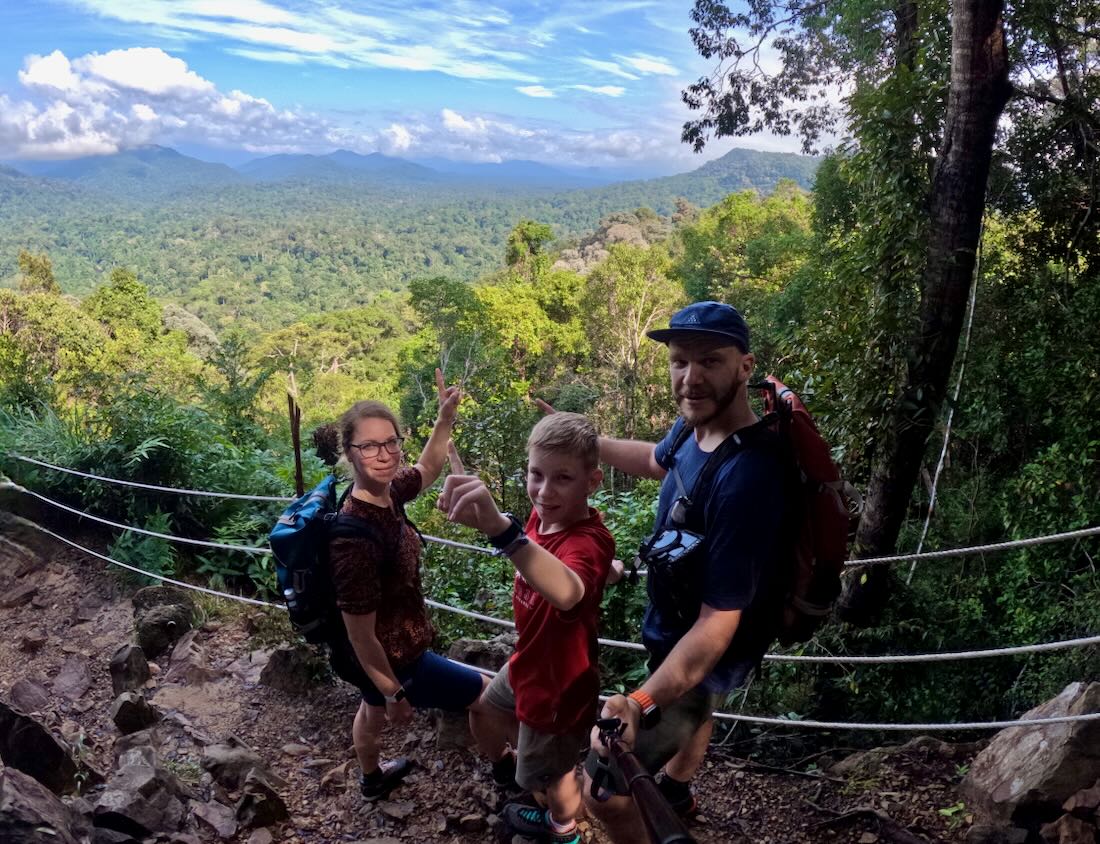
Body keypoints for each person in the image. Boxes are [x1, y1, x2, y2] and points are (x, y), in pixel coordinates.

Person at [573, 300, 787, 842]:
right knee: (696, 708)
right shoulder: (696, 425)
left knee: (605, 790)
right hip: (674, 622)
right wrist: (588, 445)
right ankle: (677, 786)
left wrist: (640, 702)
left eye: (709, 362)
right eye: (678, 362)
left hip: (703, 646)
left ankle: (656, 803)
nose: (689, 378)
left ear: (744, 365)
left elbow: (718, 624)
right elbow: (657, 461)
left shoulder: (749, 478)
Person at [438, 413, 615, 844]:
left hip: (557, 686)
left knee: (556, 776)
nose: (544, 490)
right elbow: (563, 562)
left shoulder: (585, 541)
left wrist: (501, 530)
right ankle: (510, 770)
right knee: (482, 706)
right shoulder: (542, 519)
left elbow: (570, 589)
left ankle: (563, 828)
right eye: (536, 474)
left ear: (591, 482)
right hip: (527, 664)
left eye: (563, 478)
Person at [327, 369, 491, 801]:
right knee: (487, 694)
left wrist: (445, 418)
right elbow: (360, 635)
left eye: (391, 442)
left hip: (382, 659)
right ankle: (510, 770)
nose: (384, 454)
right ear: (348, 452)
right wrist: (395, 690)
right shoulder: (352, 538)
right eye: (368, 446)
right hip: (398, 663)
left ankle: (370, 777)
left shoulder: (388, 493)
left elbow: (428, 467)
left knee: (370, 710)